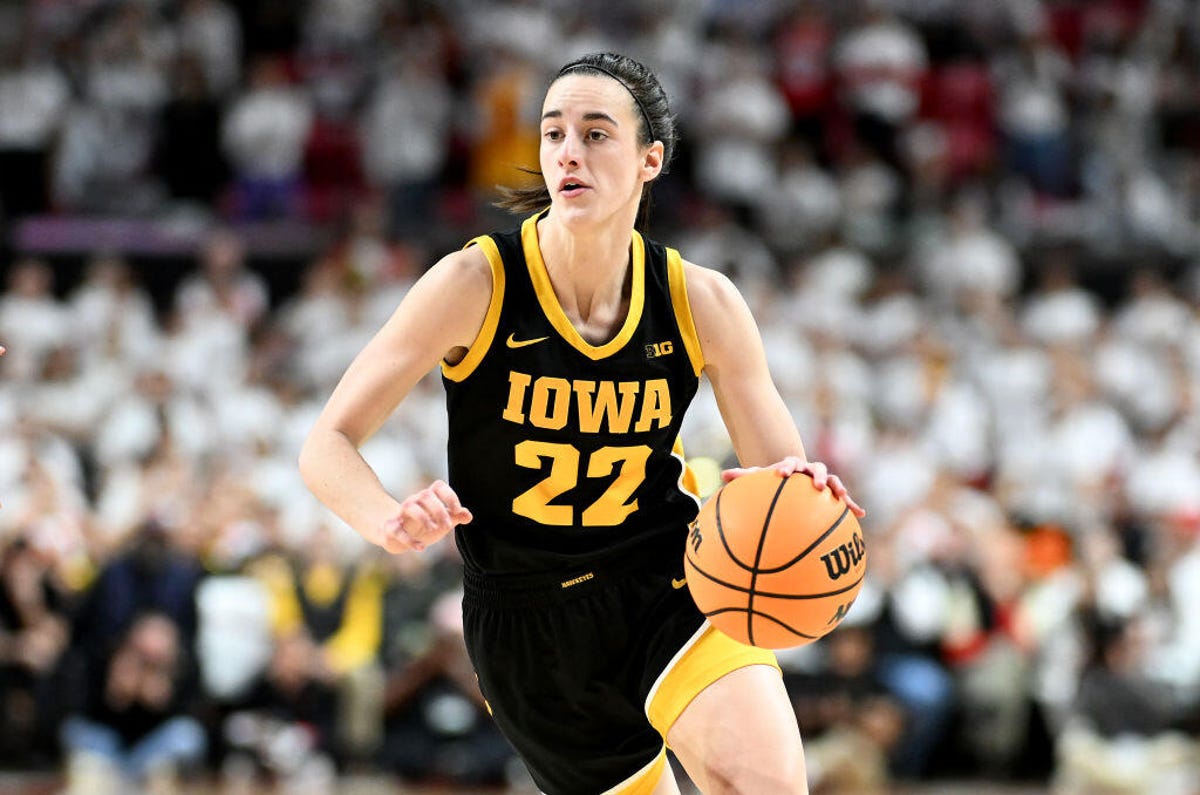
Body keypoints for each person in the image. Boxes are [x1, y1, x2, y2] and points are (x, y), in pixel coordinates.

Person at [300, 51, 864, 794]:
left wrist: (804, 492)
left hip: (668, 574)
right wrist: (386, 517)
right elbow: (325, 443)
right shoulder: (475, 283)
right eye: (554, 133)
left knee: (763, 782)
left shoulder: (703, 303)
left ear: (649, 160)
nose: (569, 151)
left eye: (597, 134)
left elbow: (779, 478)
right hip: (526, 619)